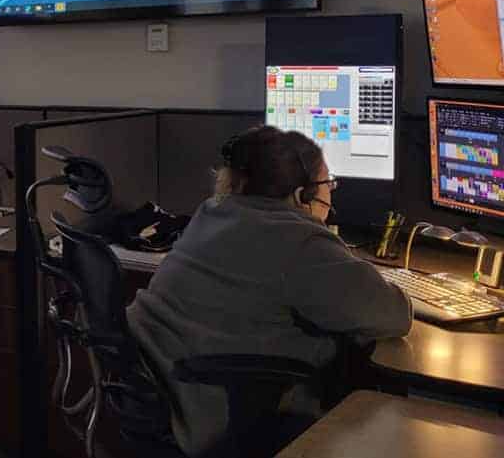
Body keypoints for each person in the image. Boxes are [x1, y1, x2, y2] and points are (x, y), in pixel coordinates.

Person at [126, 126, 411, 456]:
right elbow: (394, 314)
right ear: (304, 194)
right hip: (222, 415)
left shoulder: (212, 212)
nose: (331, 192)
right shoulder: (300, 242)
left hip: (175, 398)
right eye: (328, 182)